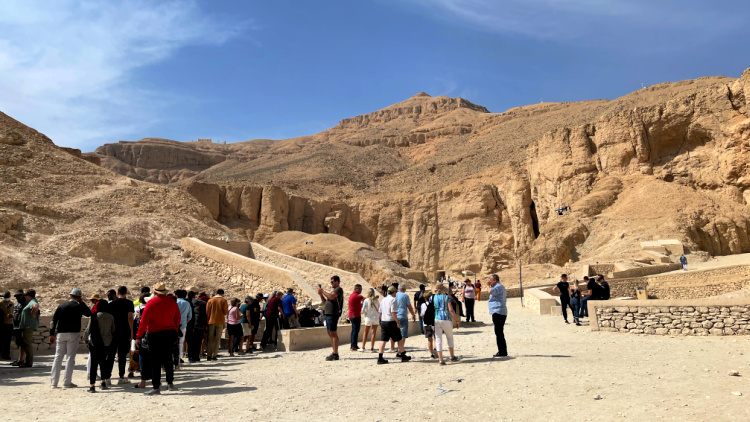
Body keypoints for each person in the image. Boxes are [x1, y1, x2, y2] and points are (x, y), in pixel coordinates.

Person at [135, 282, 181, 395]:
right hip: (169, 333)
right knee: (168, 359)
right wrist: (174, 329)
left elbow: (143, 322)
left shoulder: (151, 303)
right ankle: (170, 383)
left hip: (154, 334)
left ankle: (156, 387)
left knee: (155, 361)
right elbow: (178, 318)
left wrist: (138, 336)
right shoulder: (172, 302)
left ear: (154, 292)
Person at [49, 288, 92, 388]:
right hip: (73, 333)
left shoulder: (61, 306)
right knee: (70, 358)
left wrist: (52, 334)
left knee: (58, 357)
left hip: (61, 333)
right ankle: (67, 382)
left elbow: (53, 320)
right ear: (79, 297)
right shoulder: (78, 306)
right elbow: (89, 313)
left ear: (70, 295)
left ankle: (54, 382)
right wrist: (82, 303)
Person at [84, 300, 115, 393]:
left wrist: (85, 338)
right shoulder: (111, 317)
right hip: (106, 343)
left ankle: (92, 386)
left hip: (95, 343)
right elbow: (113, 329)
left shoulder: (94, 316)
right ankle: (103, 383)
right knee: (103, 362)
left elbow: (88, 329)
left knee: (94, 364)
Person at [377, 286, 410, 364]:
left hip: (384, 321)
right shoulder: (393, 300)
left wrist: (382, 320)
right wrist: (397, 322)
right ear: (394, 292)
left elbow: (380, 312)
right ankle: (402, 355)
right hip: (391, 322)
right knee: (399, 339)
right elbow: (393, 313)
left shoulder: (383, 299)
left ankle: (380, 357)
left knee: (383, 340)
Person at [109, 286, 135, 384]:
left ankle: (107, 377)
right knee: (122, 355)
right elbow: (130, 317)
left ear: (117, 292)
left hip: (113, 331)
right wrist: (131, 332)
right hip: (125, 331)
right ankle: (121, 376)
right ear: (126, 292)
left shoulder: (112, 304)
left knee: (111, 355)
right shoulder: (129, 303)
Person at [318, 275, 344, 361]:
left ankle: (335, 353)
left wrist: (322, 291)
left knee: (333, 333)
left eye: (332, 282)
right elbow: (326, 302)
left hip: (333, 314)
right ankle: (334, 352)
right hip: (329, 314)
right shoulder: (333, 292)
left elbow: (330, 297)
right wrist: (321, 295)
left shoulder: (338, 289)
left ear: (337, 282)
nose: (331, 284)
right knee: (330, 333)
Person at [18, 289, 40, 368]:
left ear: (29, 296)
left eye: (26, 296)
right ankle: (27, 361)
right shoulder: (31, 302)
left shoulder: (32, 302)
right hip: (27, 326)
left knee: (27, 344)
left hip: (28, 326)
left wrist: (32, 313)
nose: (25, 297)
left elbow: (36, 306)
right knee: (26, 344)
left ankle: (29, 362)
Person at [488, 274, 508, 358]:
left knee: (499, 332)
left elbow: (490, 291)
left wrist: (488, 285)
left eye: (491, 280)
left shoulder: (498, 287)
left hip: (498, 311)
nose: (490, 282)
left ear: (495, 280)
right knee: (499, 332)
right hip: (499, 311)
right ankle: (502, 350)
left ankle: (502, 351)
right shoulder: (500, 287)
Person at [205, 289, 228, 361]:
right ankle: (214, 355)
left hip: (211, 321)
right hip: (220, 321)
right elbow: (225, 312)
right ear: (222, 294)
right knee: (218, 339)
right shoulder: (223, 301)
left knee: (210, 338)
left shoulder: (210, 300)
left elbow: (207, 312)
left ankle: (208, 355)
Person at [395, 284, 416, 359]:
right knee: (403, 334)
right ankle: (400, 351)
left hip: (395, 316)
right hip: (402, 316)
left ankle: (398, 349)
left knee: (397, 334)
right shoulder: (405, 296)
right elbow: (409, 306)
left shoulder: (394, 295)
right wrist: (413, 314)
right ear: (404, 289)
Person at [188, 287, 207, 363]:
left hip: (190, 324)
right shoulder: (203, 303)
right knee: (198, 341)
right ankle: (196, 356)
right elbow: (204, 315)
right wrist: (206, 325)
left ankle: (190, 356)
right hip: (200, 324)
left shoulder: (189, 302)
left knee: (190, 341)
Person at [175, 289, 192, 366]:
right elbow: (190, 316)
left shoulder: (174, 302)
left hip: (173, 325)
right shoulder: (187, 303)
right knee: (181, 343)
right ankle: (178, 360)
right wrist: (185, 322)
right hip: (183, 326)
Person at [10, 290, 27, 366]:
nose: (17, 298)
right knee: (19, 343)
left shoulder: (25, 303)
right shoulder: (17, 303)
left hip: (22, 326)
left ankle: (21, 360)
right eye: (16, 296)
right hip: (16, 326)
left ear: (22, 295)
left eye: (19, 296)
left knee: (22, 344)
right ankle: (20, 359)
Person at [360, 288, 380, 352]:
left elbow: (362, 310)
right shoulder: (376, 300)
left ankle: (363, 347)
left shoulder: (366, 300)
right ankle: (372, 348)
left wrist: (366, 313)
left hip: (368, 318)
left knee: (366, 332)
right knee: (373, 332)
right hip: (376, 318)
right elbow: (379, 309)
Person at [420, 291, 437, 359]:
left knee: (429, 339)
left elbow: (422, 315)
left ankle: (432, 354)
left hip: (426, 324)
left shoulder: (423, 305)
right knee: (436, 338)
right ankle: (436, 350)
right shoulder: (434, 304)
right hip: (434, 323)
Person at [348, 284, 364, 351]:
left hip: (352, 315)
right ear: (356, 289)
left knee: (354, 331)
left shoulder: (352, 295)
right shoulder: (357, 296)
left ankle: (353, 345)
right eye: (360, 289)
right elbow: (366, 299)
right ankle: (354, 345)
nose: (361, 291)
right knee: (355, 331)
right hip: (355, 316)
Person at [1, 291, 13, 360]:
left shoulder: (12, 303)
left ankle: (6, 355)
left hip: (9, 324)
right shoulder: (1, 303)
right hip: (2, 324)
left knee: (7, 341)